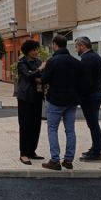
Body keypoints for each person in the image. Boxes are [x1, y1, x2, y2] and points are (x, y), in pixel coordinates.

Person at [39, 34, 82, 171]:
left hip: (56, 100)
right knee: (70, 130)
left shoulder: (53, 61)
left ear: (55, 44)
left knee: (52, 129)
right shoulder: (76, 62)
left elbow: (44, 79)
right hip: (72, 101)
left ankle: (55, 160)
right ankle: (68, 160)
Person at [14, 40, 45, 165]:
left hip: (37, 96)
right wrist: (39, 70)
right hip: (25, 98)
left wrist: (37, 74)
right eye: (34, 50)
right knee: (25, 125)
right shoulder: (22, 62)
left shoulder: (38, 61)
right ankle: (24, 153)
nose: (36, 52)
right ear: (27, 51)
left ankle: (32, 151)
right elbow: (27, 76)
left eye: (37, 49)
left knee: (36, 125)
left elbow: (41, 76)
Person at [75, 36, 101, 162]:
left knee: (93, 124)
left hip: (90, 96)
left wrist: (79, 97)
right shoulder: (97, 57)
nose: (76, 49)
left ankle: (96, 151)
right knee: (93, 124)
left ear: (82, 46)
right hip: (97, 93)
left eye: (76, 46)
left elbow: (86, 82)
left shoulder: (86, 59)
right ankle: (95, 148)